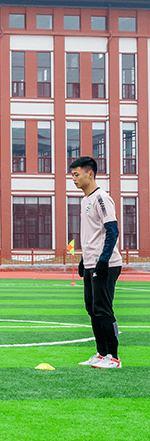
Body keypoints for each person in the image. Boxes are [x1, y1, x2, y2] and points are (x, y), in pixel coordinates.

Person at [70, 156, 123, 369]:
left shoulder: (102, 197)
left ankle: (114, 357)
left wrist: (102, 260)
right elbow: (93, 234)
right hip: (92, 263)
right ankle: (101, 354)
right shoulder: (86, 200)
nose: (73, 179)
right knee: (92, 309)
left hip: (106, 264)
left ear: (89, 173)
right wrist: (85, 259)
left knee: (103, 309)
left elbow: (112, 230)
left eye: (76, 175)